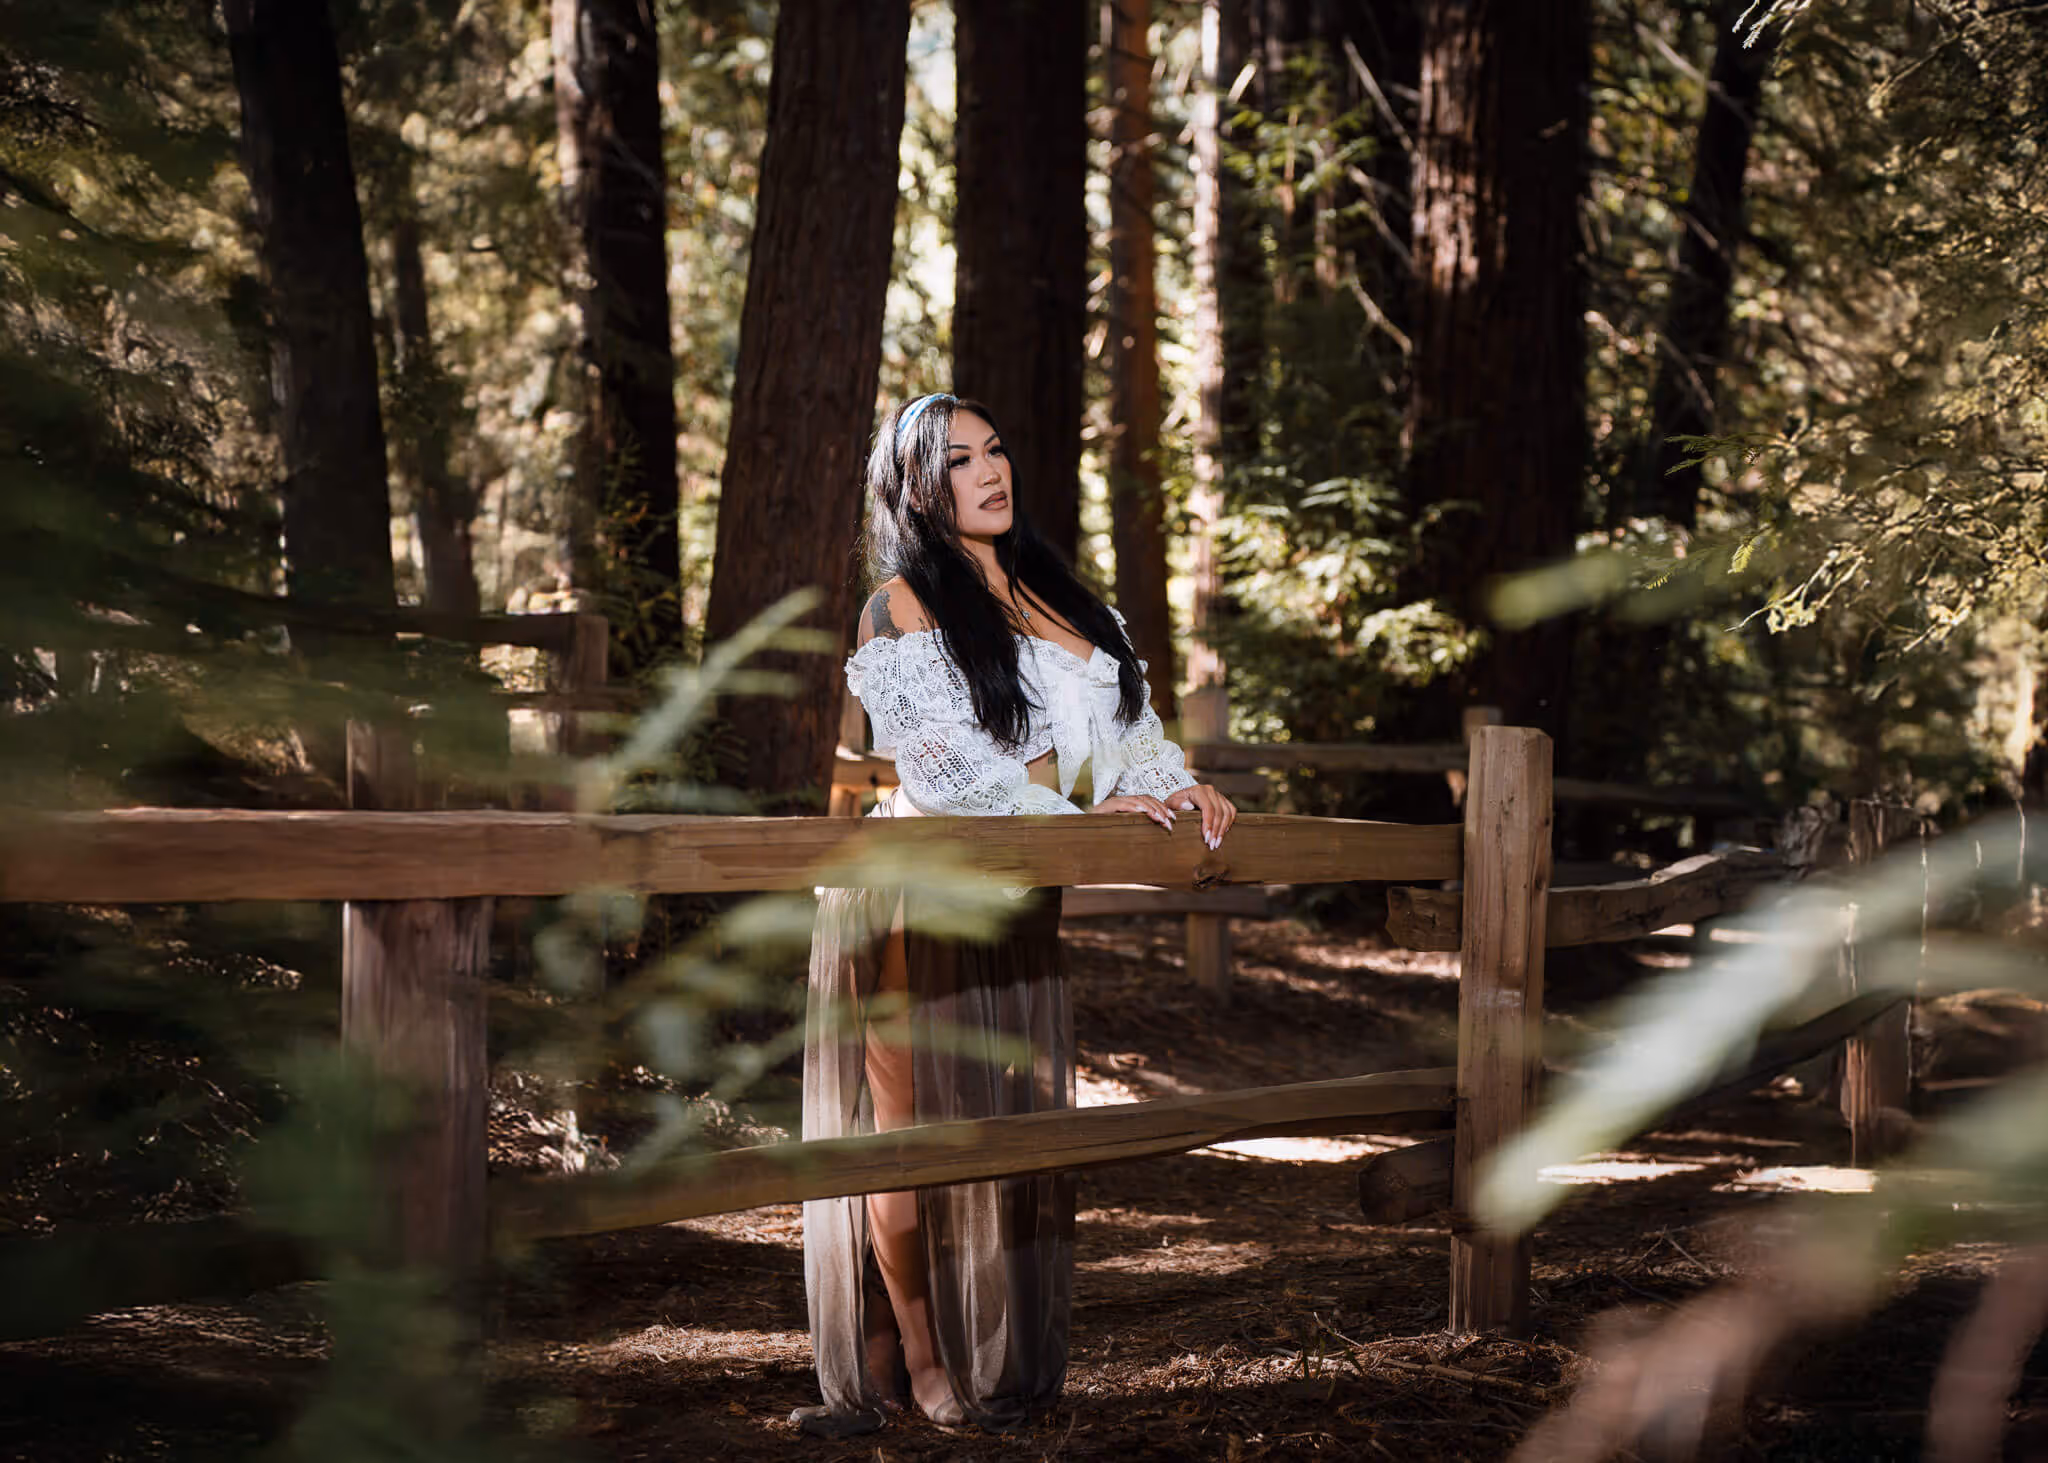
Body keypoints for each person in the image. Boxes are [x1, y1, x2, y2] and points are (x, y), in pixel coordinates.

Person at [795, 393, 1237, 1437]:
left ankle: (947, 1334)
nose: (988, 470)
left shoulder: (1071, 604)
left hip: (1023, 894)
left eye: (994, 448)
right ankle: (917, 1352)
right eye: (955, 460)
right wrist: (1085, 813)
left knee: (997, 1115)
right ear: (913, 487)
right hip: (916, 886)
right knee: (907, 1127)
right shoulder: (899, 608)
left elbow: (1130, 745)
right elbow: (949, 775)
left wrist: (1176, 788)